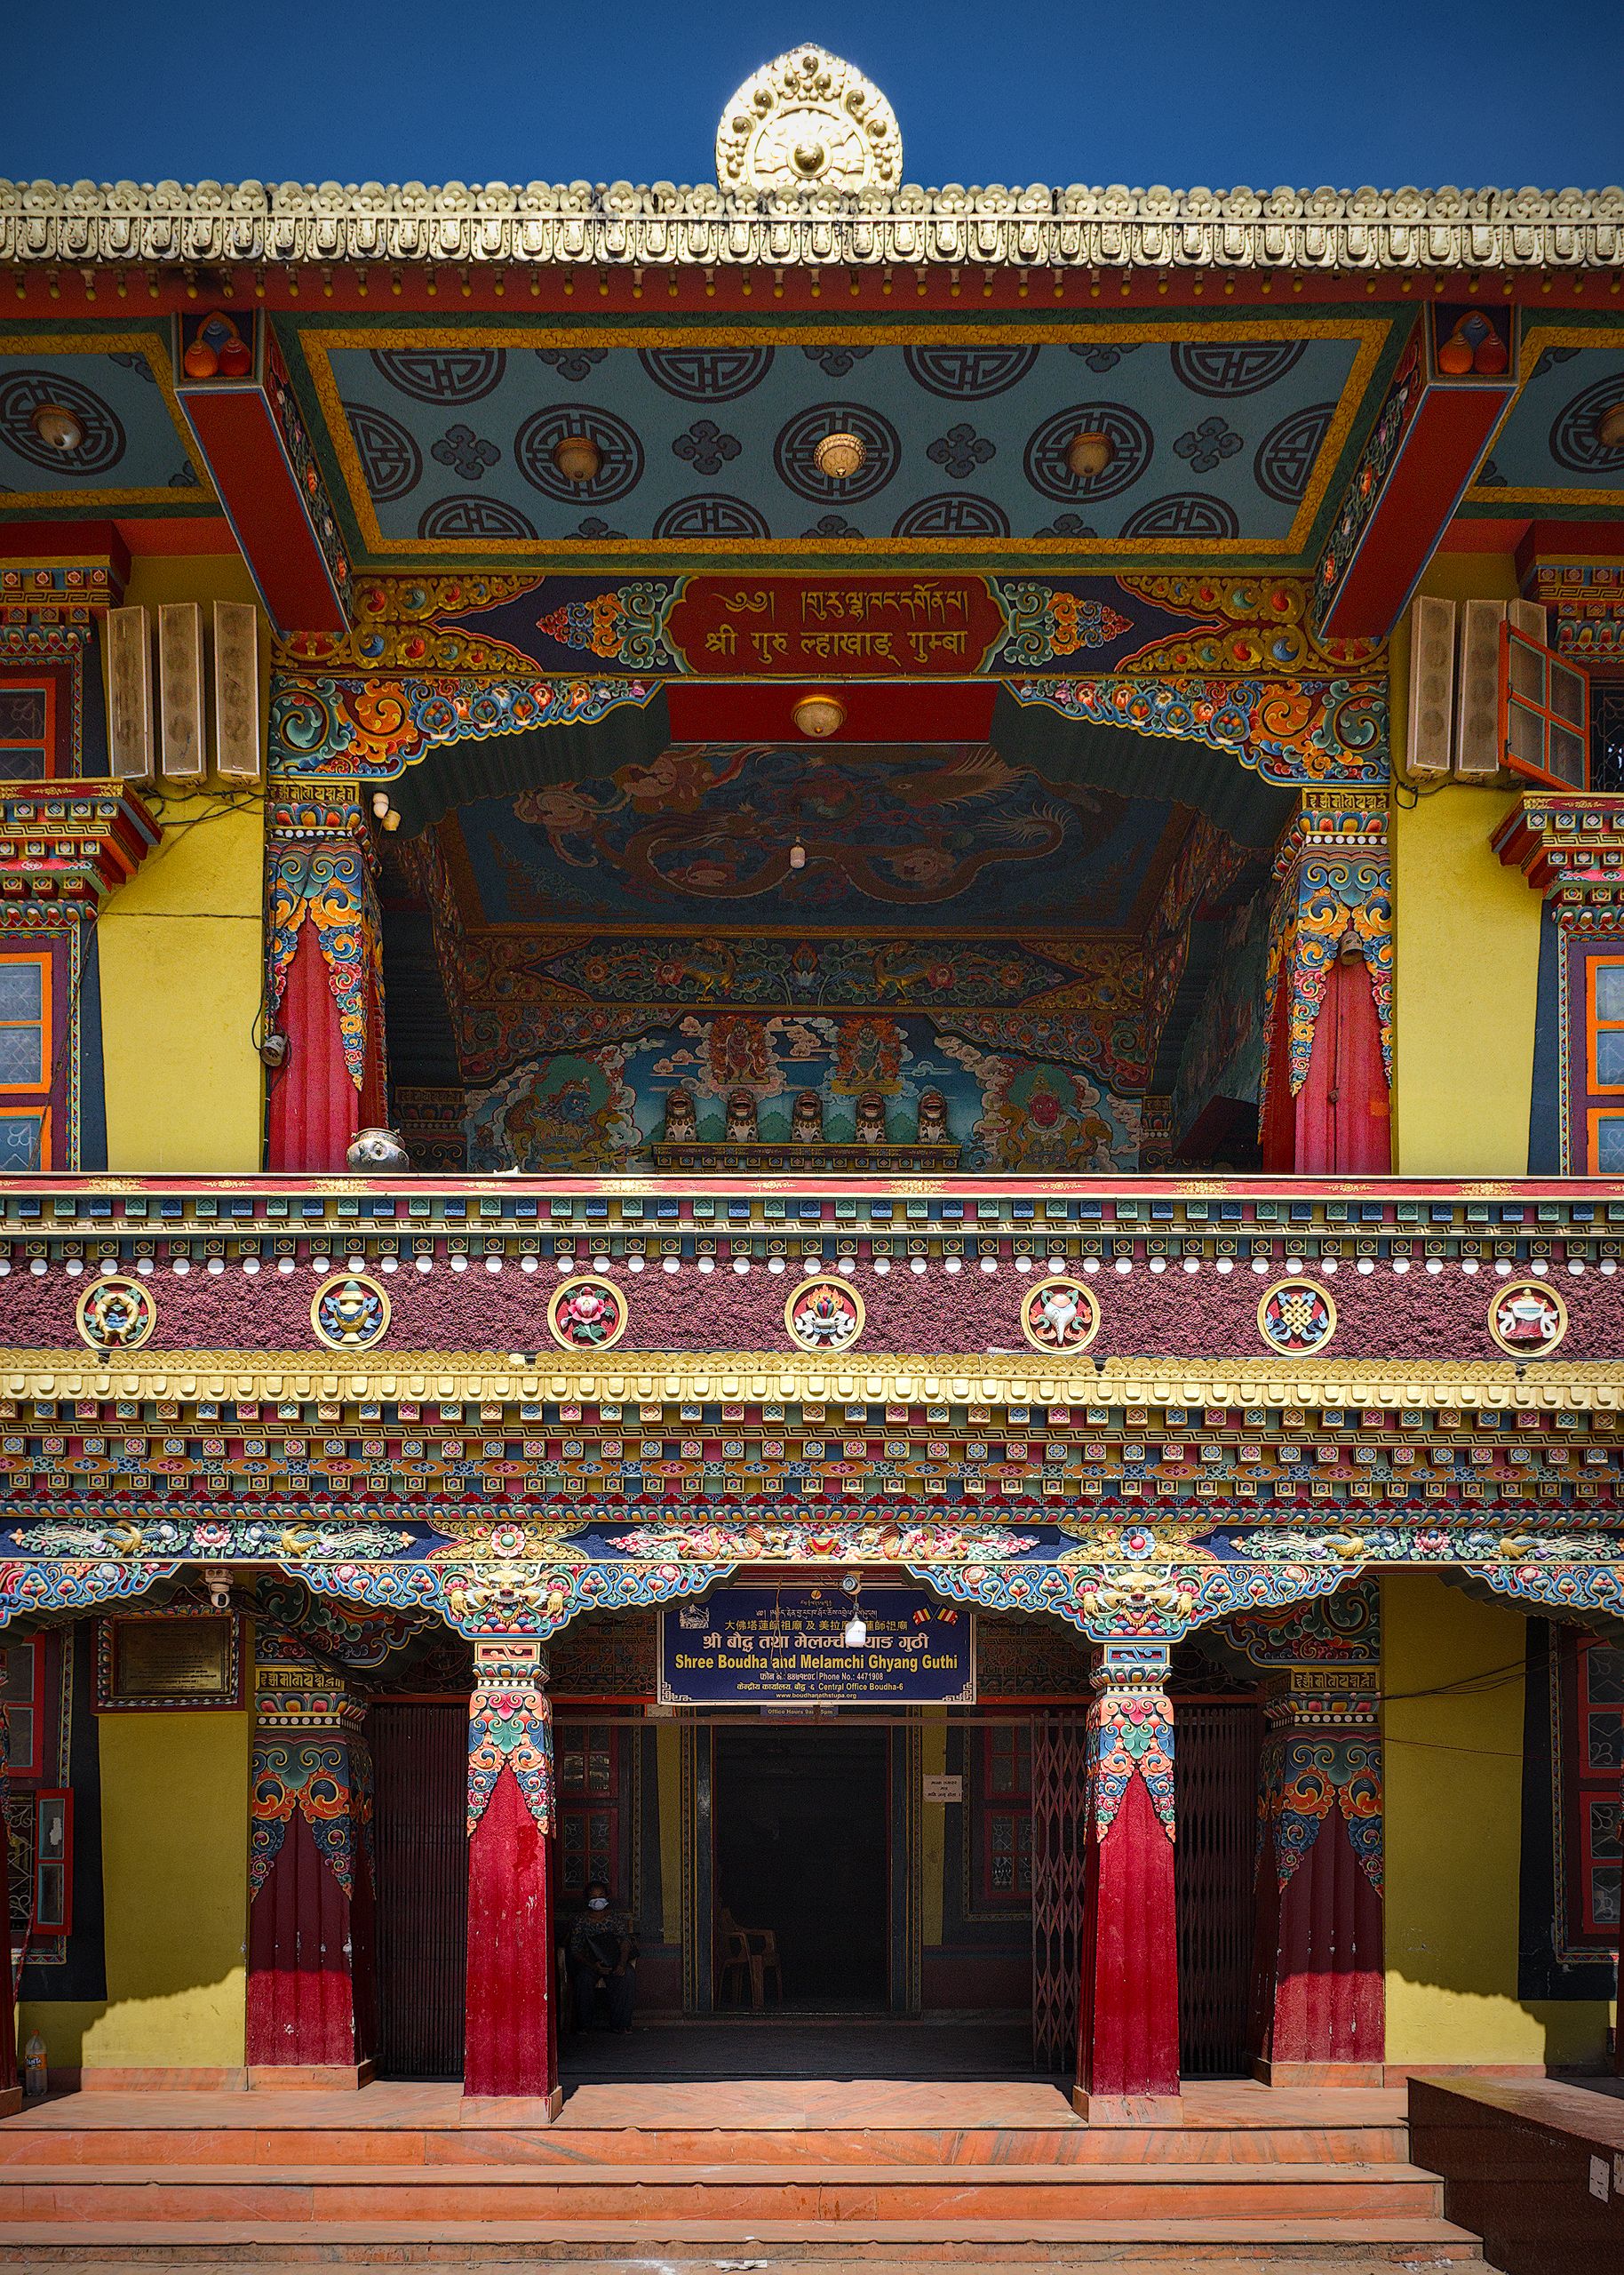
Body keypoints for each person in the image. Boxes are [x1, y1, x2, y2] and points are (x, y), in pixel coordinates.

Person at [567, 1880, 637, 2033]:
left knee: (628, 1975)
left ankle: (621, 2024)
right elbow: (575, 1950)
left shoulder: (614, 1919)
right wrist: (593, 1966)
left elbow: (625, 1942)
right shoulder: (580, 1920)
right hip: (590, 1963)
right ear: (587, 1899)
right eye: (593, 1897)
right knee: (583, 1979)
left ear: (606, 1897)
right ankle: (584, 2025)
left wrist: (622, 1964)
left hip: (613, 1961)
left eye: (601, 1896)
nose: (597, 1900)